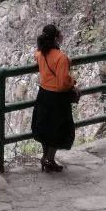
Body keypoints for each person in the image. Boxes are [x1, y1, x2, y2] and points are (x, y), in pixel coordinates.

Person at [31, 22, 77, 172]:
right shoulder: (61, 58)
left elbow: (36, 55)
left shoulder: (40, 54)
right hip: (57, 99)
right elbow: (62, 83)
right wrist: (73, 82)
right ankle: (49, 159)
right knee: (58, 129)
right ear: (57, 37)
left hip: (43, 95)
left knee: (46, 128)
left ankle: (47, 158)